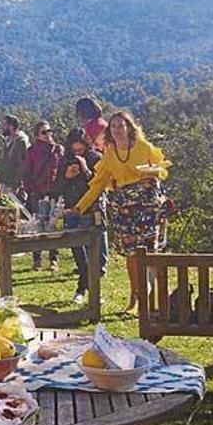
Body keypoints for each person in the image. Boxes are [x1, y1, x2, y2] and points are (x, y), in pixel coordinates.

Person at [75, 111, 172, 312]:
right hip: (124, 209)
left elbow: (161, 170)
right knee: (132, 256)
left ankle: (153, 301)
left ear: (129, 127)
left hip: (148, 206)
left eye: (121, 125)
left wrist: (153, 175)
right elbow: (97, 185)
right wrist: (78, 208)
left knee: (150, 253)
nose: (118, 130)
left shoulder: (143, 147)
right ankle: (135, 298)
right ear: (109, 130)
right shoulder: (109, 154)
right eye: (114, 126)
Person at [50, 128, 108, 303]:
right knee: (78, 253)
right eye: (74, 151)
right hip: (71, 210)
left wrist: (85, 169)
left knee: (94, 254)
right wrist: (67, 177)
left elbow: (100, 186)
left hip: (92, 210)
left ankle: (83, 290)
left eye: (80, 150)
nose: (77, 153)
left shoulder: (96, 158)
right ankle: (88, 289)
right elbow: (56, 189)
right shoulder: (64, 161)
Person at [23, 121, 64, 271]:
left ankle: (53, 259)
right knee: (38, 226)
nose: (48, 135)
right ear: (36, 135)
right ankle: (37, 260)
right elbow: (26, 173)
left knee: (53, 226)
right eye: (44, 132)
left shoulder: (58, 150)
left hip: (54, 192)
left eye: (49, 131)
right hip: (37, 192)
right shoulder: (32, 151)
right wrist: (30, 190)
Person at [0, 115, 30, 194]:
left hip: (15, 186)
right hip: (5, 183)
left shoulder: (21, 142)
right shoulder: (7, 141)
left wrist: (16, 184)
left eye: (5, 124)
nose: (2, 126)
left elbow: (23, 164)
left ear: (12, 126)